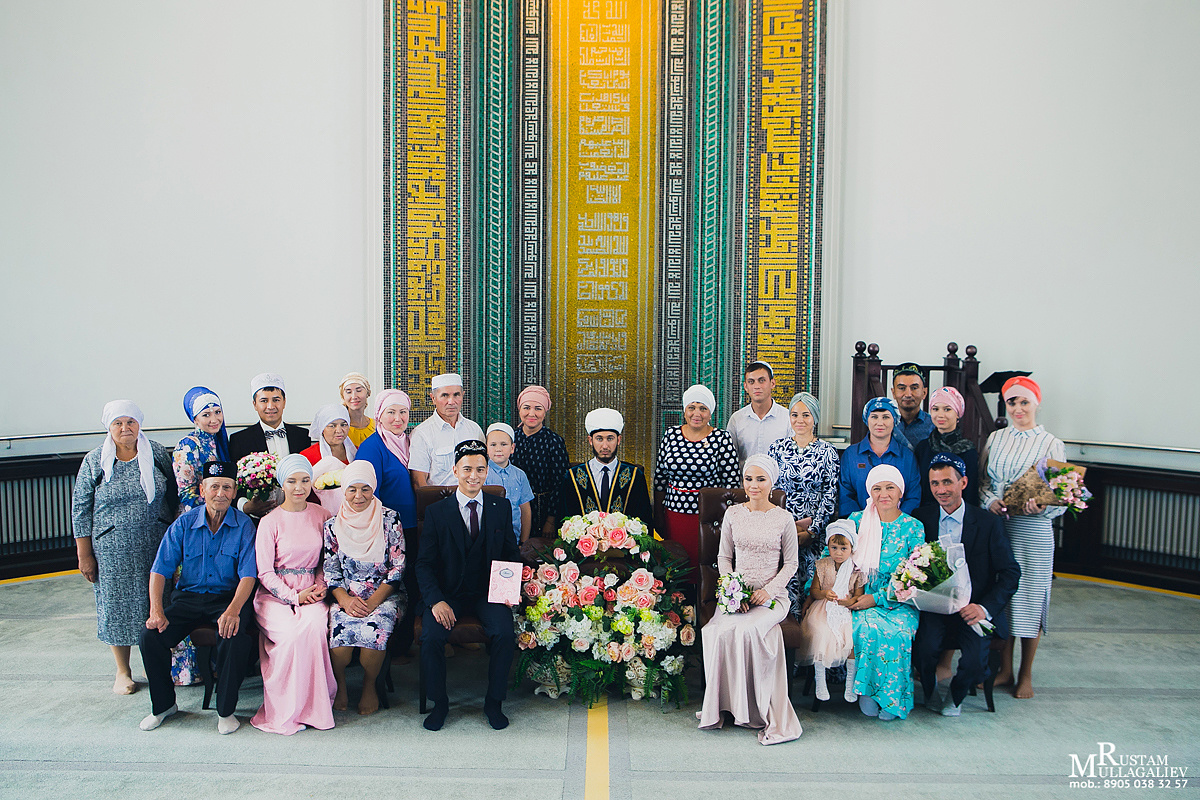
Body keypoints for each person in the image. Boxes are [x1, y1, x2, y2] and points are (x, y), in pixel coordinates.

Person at [139, 461, 257, 734]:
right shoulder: (184, 524)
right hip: (188, 598)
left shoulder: (244, 526)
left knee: (235, 636)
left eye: (227, 487)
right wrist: (156, 610)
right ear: (202, 490)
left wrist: (234, 610)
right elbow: (160, 569)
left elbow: (248, 575)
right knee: (150, 637)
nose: (221, 493)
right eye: (214, 487)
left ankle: (226, 711)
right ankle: (164, 706)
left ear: (235, 490)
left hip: (227, 598)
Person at [72, 400, 178, 695]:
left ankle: (159, 667)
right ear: (109, 427)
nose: (125, 428)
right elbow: (80, 510)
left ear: (139, 424)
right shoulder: (94, 461)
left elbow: (172, 492)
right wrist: (85, 555)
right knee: (116, 607)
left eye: (130, 422)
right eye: (118, 423)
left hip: (154, 543)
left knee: (157, 603)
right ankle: (123, 671)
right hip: (111, 550)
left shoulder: (155, 452)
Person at [697, 455, 802, 745]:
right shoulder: (733, 513)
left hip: (772, 597)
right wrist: (732, 590)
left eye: (760, 479)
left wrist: (768, 591)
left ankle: (754, 709)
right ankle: (725, 706)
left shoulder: (784, 518)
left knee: (749, 630)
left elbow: (791, 564)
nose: (753, 485)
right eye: (748, 479)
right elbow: (723, 557)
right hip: (736, 594)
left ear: (772, 482)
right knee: (718, 631)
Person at [417, 440, 520, 732]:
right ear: (455, 470)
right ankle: (440, 703)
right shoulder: (437, 511)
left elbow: (510, 555)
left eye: (480, 469)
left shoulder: (501, 506)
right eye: (467, 469)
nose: (473, 476)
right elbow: (423, 564)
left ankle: (494, 703)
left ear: (487, 471)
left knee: (503, 633)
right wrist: (436, 601)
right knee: (431, 637)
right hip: (447, 594)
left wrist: (508, 593)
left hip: (488, 593)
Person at [978, 376, 1064, 700]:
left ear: (1036, 404)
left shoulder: (1051, 443)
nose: (1018, 408)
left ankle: (1026, 673)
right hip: (1000, 527)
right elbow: (983, 483)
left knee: (1030, 599)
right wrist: (991, 502)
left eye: (1024, 402)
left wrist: (1041, 506)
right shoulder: (996, 438)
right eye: (1012, 402)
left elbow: (1062, 496)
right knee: (1005, 598)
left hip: (1034, 531)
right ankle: (1005, 669)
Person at [914, 454, 1020, 716]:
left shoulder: (988, 523)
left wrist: (984, 608)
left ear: (963, 482)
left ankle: (957, 694)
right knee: (923, 651)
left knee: (974, 663)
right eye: (935, 483)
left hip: (974, 607)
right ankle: (929, 691)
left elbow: (1010, 573)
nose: (941, 490)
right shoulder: (921, 518)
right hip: (934, 608)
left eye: (948, 482)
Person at [829, 464, 926, 721]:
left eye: (890, 487)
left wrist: (878, 598)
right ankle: (868, 693)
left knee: (898, 632)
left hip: (898, 600)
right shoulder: (856, 521)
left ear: (900, 491)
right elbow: (834, 559)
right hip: (858, 595)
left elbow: (916, 577)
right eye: (877, 488)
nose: (884, 494)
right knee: (865, 627)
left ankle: (891, 698)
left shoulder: (913, 527)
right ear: (869, 492)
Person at [250, 454, 337, 734]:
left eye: (304, 480)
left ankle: (314, 709)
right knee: (288, 636)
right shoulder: (269, 521)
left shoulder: (322, 515)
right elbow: (264, 572)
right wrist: (292, 597)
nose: (299, 487)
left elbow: (329, 559)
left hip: (312, 590)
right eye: (292, 481)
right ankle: (285, 711)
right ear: (281, 484)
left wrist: (321, 587)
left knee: (313, 629)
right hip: (275, 595)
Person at [323, 460, 407, 715]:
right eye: (352, 489)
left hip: (385, 595)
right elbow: (331, 570)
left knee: (373, 634)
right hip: (346, 596)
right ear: (343, 491)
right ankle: (341, 686)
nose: (358, 496)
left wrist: (373, 603)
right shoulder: (332, 525)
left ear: (374, 489)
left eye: (365, 489)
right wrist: (345, 600)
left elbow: (398, 567)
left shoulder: (390, 519)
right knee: (339, 638)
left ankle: (370, 686)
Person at [354, 389, 420, 655]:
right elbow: (368, 492)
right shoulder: (372, 446)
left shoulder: (411, 441)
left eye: (403, 412)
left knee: (413, 582)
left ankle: (406, 642)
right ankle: (393, 647)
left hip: (413, 526)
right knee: (392, 584)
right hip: (386, 529)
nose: (397, 418)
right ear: (379, 415)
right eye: (391, 412)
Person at [653, 384, 739, 579]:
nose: (696, 413)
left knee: (705, 568)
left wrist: (727, 521)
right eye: (691, 407)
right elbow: (660, 480)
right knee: (675, 567)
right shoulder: (671, 436)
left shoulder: (722, 439)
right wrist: (658, 515)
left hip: (708, 518)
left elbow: (732, 486)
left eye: (703, 408)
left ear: (711, 413)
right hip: (674, 516)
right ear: (684, 411)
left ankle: (703, 606)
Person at [767, 391, 840, 616]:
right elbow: (769, 489)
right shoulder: (777, 448)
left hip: (813, 533)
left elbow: (830, 493)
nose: (800, 420)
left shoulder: (828, 452)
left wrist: (812, 530)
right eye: (795, 414)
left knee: (811, 587)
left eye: (806, 415)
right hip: (782, 528)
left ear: (815, 418)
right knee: (783, 583)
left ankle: (806, 640)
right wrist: (785, 527)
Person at [798, 520, 865, 702]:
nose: (838, 553)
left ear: (852, 547)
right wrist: (824, 593)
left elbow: (858, 596)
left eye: (844, 548)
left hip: (846, 608)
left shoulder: (856, 570)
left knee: (851, 636)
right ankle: (820, 681)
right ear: (828, 546)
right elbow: (813, 591)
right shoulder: (823, 565)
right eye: (834, 547)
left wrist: (847, 601)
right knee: (820, 631)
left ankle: (850, 684)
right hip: (823, 607)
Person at [229, 373, 310, 517]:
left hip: (298, 514)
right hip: (257, 519)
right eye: (264, 401)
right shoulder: (239, 439)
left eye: (276, 400)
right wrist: (246, 507)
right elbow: (233, 483)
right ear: (254, 404)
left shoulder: (302, 436)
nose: (270, 406)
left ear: (284, 402)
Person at [558, 408, 654, 530]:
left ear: (618, 440)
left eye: (610, 438)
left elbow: (644, 521)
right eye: (599, 439)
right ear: (590, 440)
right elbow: (564, 520)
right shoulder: (573, 476)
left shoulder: (635, 476)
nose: (605, 446)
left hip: (623, 547)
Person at [838, 398, 921, 517]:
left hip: (898, 529)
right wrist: (859, 522)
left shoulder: (907, 457)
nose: (880, 422)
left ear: (895, 420)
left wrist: (896, 523)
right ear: (867, 420)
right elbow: (846, 495)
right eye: (874, 417)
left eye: (886, 417)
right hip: (859, 527)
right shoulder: (851, 455)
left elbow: (913, 496)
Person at [510, 385, 570, 536]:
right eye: (527, 407)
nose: (532, 413)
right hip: (513, 508)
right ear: (519, 409)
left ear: (545, 412)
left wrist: (550, 521)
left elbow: (560, 484)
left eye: (538, 408)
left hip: (543, 511)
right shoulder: (510, 438)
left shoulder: (554, 441)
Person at [409, 372, 485, 487]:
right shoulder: (422, 434)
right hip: (439, 502)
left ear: (463, 395)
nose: (451, 401)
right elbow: (419, 482)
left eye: (456, 395)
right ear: (433, 398)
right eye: (444, 396)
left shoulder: (474, 429)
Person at [914, 386, 979, 508]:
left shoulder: (968, 449)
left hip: (959, 515)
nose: (940, 414)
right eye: (936, 409)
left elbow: (971, 493)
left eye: (947, 409)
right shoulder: (923, 448)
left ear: (958, 414)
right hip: (927, 513)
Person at [173, 386, 231, 512]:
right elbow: (187, 493)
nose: (214, 420)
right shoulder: (188, 446)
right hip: (197, 517)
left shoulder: (221, 442)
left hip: (223, 513)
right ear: (195, 419)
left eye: (217, 412)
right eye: (206, 415)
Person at [727, 361, 790, 467]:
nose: (757, 386)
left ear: (772, 383)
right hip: (746, 483)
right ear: (745, 387)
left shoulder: (787, 418)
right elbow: (730, 458)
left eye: (762, 381)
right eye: (751, 382)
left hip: (778, 483)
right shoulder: (737, 419)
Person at [483, 422, 534, 543]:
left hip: (514, 539)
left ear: (512, 448)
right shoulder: (482, 474)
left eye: (504, 444)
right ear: (486, 448)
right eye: (493, 445)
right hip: (488, 540)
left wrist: (523, 542)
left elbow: (525, 510)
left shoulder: (519, 475)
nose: (498, 449)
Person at [891, 363, 933, 450]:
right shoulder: (885, 423)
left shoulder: (933, 426)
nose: (908, 394)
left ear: (924, 393)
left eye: (914, 388)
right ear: (893, 393)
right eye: (902, 388)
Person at [300, 403, 357, 468]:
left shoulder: (357, 452)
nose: (339, 430)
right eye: (332, 426)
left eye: (343, 425)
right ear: (322, 429)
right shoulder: (307, 456)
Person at [340, 372, 376, 447]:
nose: (354, 396)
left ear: (368, 393)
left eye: (359, 390)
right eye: (349, 392)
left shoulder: (377, 426)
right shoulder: (339, 428)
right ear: (343, 396)